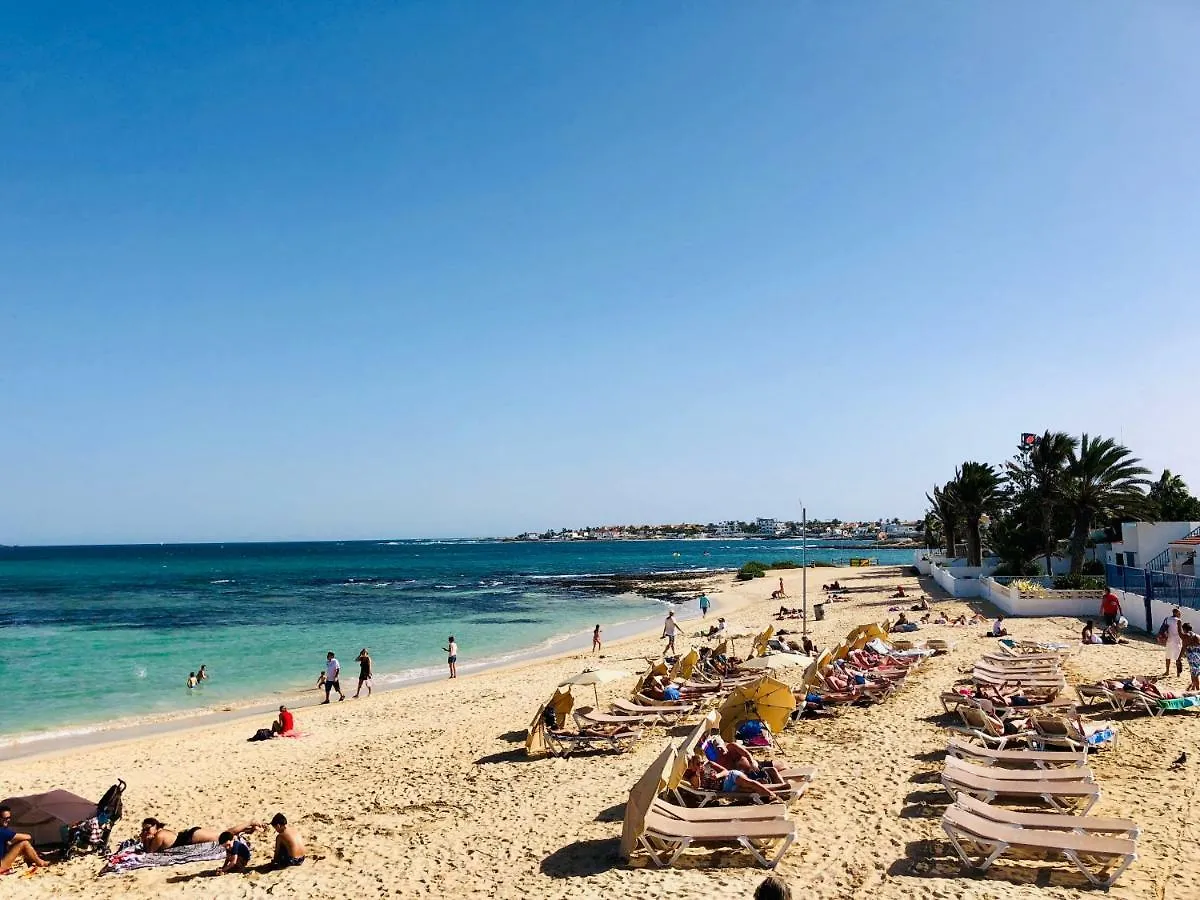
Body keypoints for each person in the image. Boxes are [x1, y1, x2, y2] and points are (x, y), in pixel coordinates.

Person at [139, 818, 258, 852]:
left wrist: (144, 840)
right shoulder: (160, 833)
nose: (146, 831)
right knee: (225, 833)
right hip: (191, 834)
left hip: (192, 837)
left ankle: (250, 822)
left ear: (156, 827)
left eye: (148, 828)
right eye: (144, 829)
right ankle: (247, 829)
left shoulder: (159, 836)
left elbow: (150, 852)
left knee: (226, 834)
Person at [0, 804, 49, 874]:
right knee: (24, 843)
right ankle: (41, 863)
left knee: (13, 845)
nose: (8, 820)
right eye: (5, 818)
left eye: (9, 818)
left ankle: (30, 860)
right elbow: (28, 837)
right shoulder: (2, 831)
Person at [1161, 608, 1184, 677]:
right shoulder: (1179, 621)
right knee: (1178, 658)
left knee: (1168, 656)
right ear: (1176, 613)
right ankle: (1178, 673)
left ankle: (1167, 671)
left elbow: (1162, 629)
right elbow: (1180, 632)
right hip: (1177, 641)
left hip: (1169, 640)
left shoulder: (1167, 619)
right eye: (1179, 613)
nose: (1180, 614)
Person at [1182, 623, 1200, 692]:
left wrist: (1179, 658)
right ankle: (1193, 688)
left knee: (1194, 674)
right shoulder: (1197, 636)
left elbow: (1184, 647)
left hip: (1193, 658)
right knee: (1194, 673)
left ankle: (1198, 690)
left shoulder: (1188, 636)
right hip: (1197, 657)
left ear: (1184, 629)